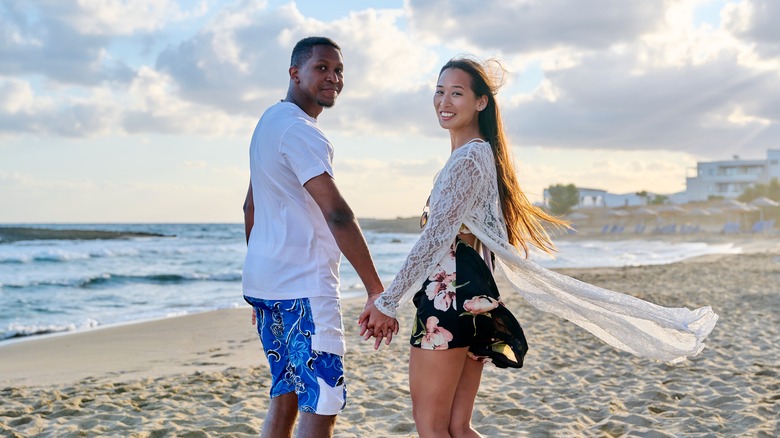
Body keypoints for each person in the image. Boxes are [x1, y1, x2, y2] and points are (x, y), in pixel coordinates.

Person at [359, 57, 718, 438]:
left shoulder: (468, 158)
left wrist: (387, 301)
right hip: (474, 293)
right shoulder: (480, 154)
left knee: (433, 428)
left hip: (448, 297)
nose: (444, 101)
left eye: (457, 93)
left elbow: (436, 239)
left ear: (481, 102)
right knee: (457, 427)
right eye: (439, 91)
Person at [242, 36, 398, 438]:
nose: (333, 77)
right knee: (322, 402)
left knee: (288, 394)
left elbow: (250, 207)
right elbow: (337, 213)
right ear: (295, 73)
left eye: (339, 70)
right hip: (304, 287)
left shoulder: (269, 122)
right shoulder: (300, 130)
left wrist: (264, 273)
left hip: (266, 285)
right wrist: (375, 289)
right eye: (322, 68)